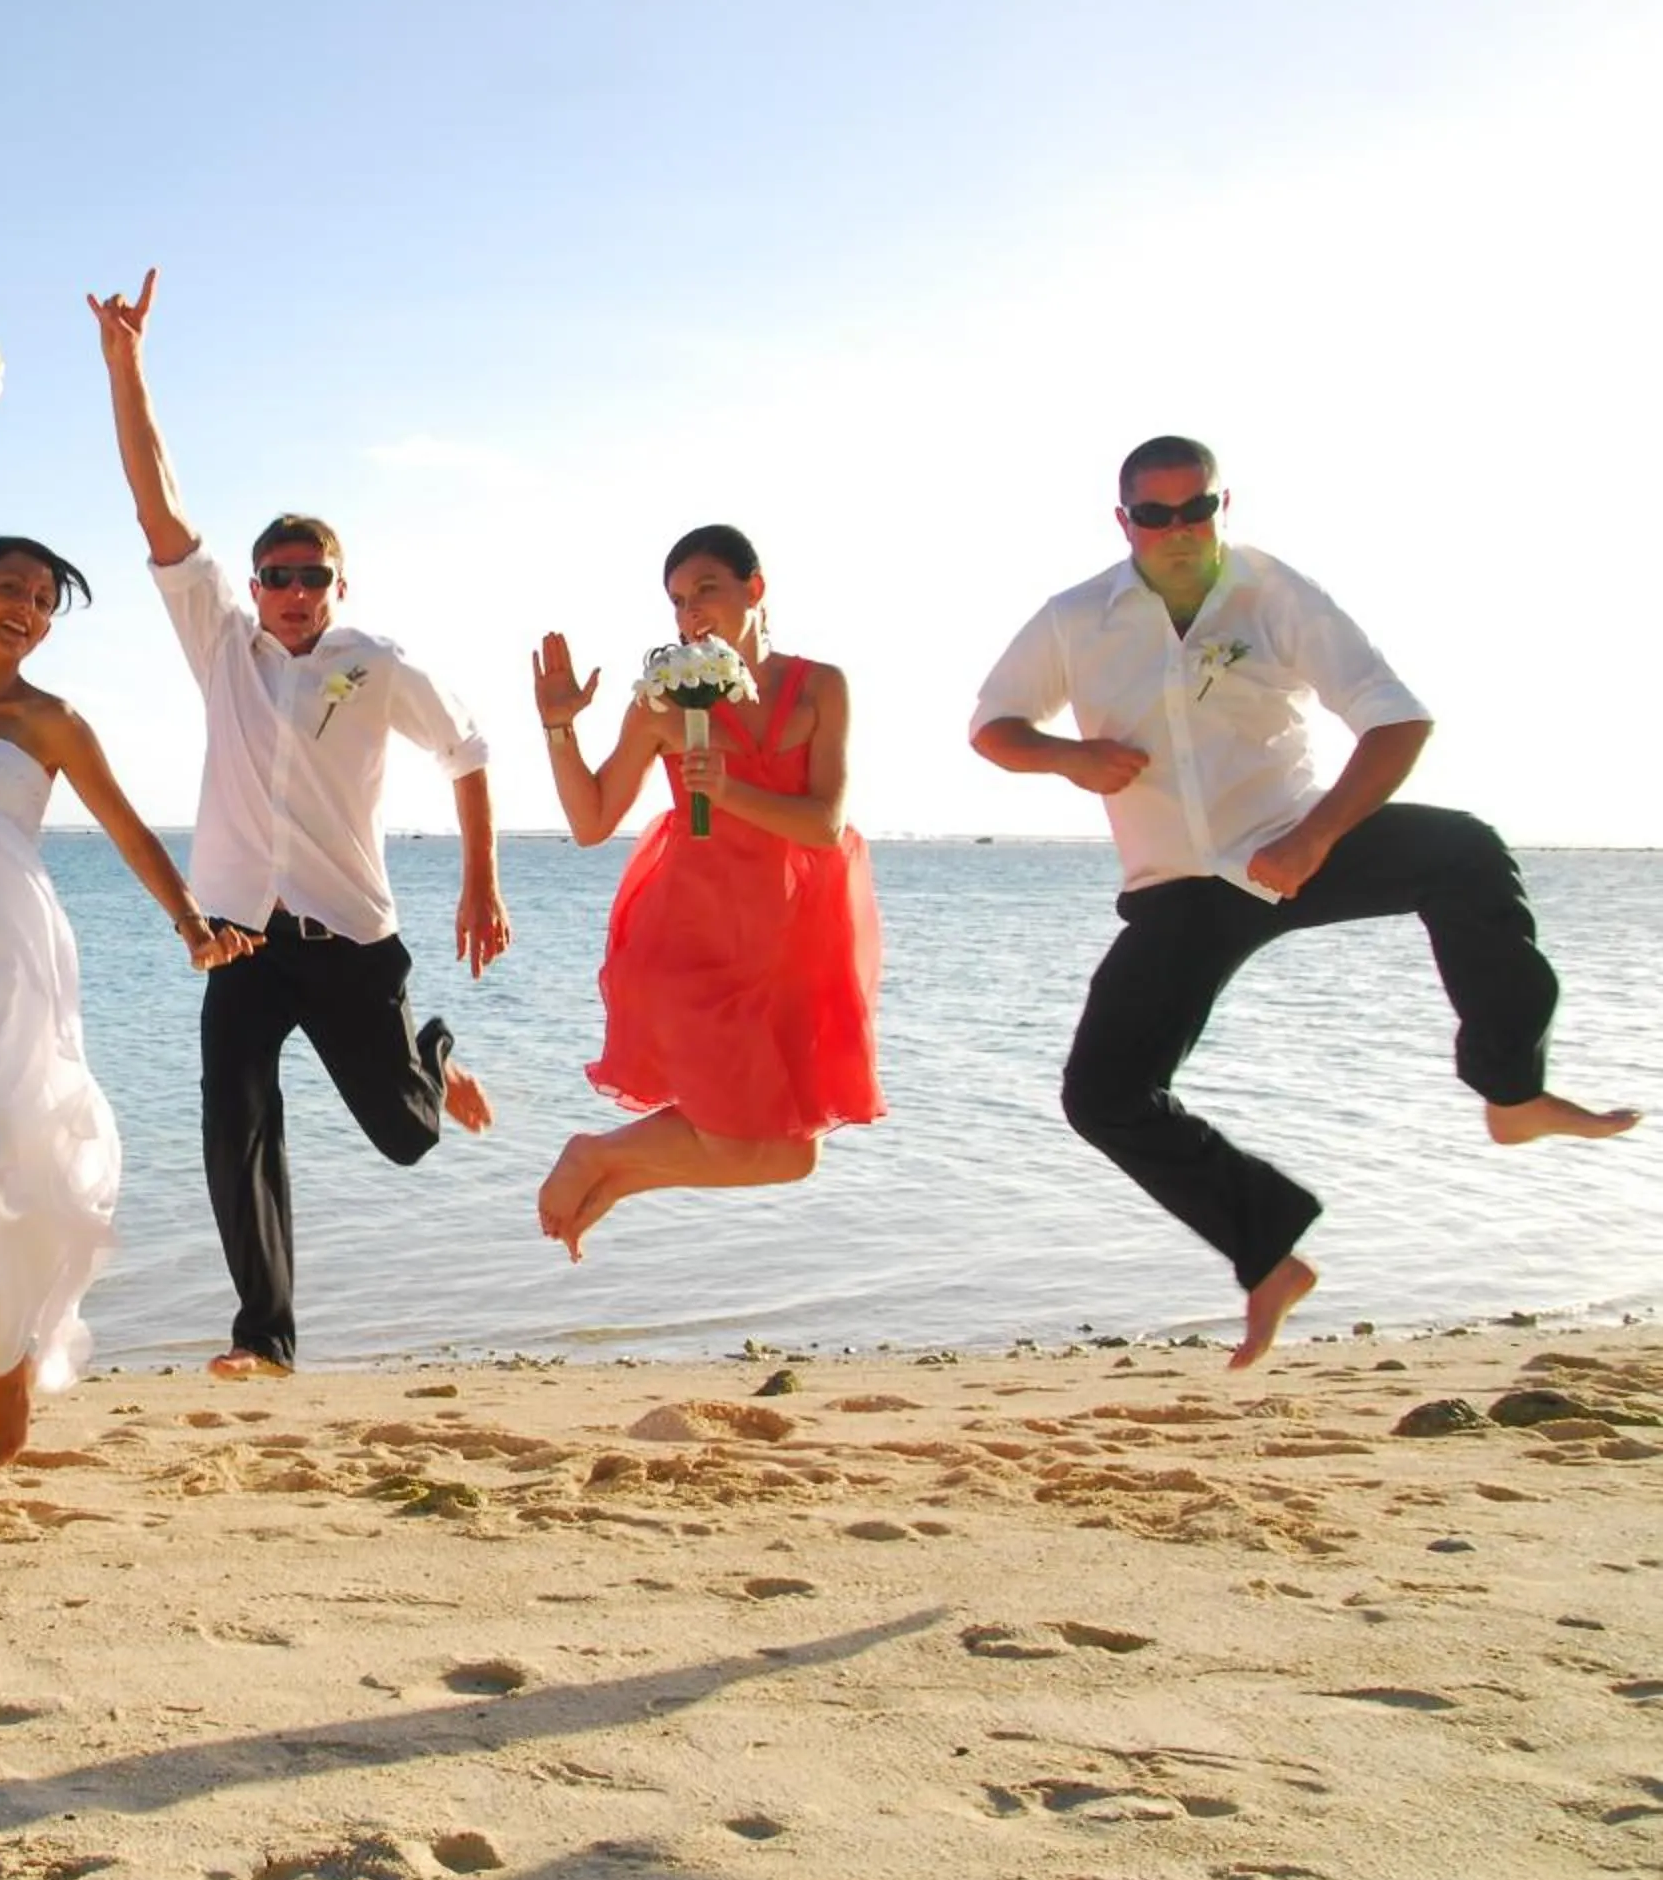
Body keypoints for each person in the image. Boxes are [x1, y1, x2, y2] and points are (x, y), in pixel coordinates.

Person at [970, 434, 1639, 1369]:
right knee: (1103, 1095)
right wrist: (1066, 756)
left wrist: (1317, 836)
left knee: (1465, 853)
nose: (1178, 528)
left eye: (1195, 508)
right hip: (1180, 889)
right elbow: (994, 726)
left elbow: (1397, 719)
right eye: (1156, 514)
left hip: (1292, 846)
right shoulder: (1076, 618)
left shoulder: (1271, 591)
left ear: (1220, 505)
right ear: (1124, 521)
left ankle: (1511, 1090)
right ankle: (1269, 1255)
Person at [0, 337, 259, 1469]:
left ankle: (5, 1381)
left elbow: (125, 825)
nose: (26, 606)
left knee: (5, 1158)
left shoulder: (52, 722)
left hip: (8, 962)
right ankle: (5, 1352)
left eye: (43, 600)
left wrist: (188, 919)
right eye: (9, 588)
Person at [89, 270, 505, 1380]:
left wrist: (481, 883)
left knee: (407, 1135)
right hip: (242, 941)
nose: (288, 591)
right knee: (237, 1126)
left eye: (307, 576)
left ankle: (435, 1052)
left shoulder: (374, 666)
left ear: (335, 581)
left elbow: (468, 751)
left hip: (350, 942)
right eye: (273, 575)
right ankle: (262, 1335)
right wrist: (127, 368)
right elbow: (158, 508)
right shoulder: (221, 643)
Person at [530, 524, 883, 1259]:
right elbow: (592, 821)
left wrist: (726, 789)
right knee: (736, 1137)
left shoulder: (821, 687)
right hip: (690, 944)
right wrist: (559, 727)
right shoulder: (662, 704)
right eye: (678, 602)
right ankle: (596, 1154)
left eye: (706, 592)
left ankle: (616, 1173)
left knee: (793, 1156)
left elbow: (823, 824)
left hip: (786, 953)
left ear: (755, 589)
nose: (691, 615)